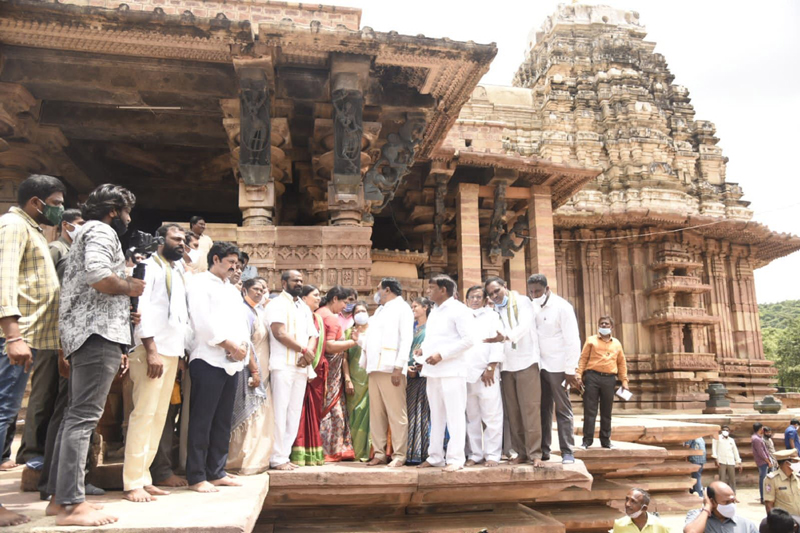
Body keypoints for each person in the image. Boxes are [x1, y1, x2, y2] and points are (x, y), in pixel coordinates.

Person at [47, 183, 142, 527]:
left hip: (85, 334)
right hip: (97, 334)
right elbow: (99, 276)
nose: (128, 219)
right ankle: (73, 505)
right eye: (127, 212)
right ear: (113, 210)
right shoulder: (102, 230)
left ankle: (59, 498)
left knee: (74, 417)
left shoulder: (84, 233)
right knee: (83, 418)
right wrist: (130, 286)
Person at [0, 174, 66, 527]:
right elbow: (4, 279)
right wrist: (13, 335)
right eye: (55, 204)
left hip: (33, 339)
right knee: (2, 412)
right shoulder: (13, 226)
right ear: (35, 202)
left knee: (7, 411)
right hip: (14, 339)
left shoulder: (34, 230)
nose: (59, 210)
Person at [123, 224, 190, 503]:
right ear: (160, 240)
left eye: (184, 240)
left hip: (172, 350)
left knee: (159, 417)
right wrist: (151, 350)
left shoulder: (177, 270)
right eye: (176, 239)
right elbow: (140, 308)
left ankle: (145, 476)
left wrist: (181, 353)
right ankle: (132, 482)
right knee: (144, 415)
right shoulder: (148, 268)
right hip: (151, 349)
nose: (182, 244)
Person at [18, 209, 82, 466]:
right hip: (50, 332)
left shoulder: (75, 251)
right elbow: (47, 290)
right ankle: (30, 451)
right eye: (79, 224)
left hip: (66, 335)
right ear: (66, 225)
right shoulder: (56, 249)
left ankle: (47, 451)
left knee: (59, 394)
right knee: (43, 391)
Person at [185, 241, 249, 493]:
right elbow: (202, 322)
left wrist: (241, 347)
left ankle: (216, 471)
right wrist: (229, 345)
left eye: (237, 263)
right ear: (215, 260)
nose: (235, 267)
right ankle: (197, 475)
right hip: (207, 358)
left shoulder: (232, 290)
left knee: (222, 420)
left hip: (231, 362)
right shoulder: (200, 283)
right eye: (230, 262)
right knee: (202, 419)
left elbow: (240, 323)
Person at [417, 275, 475, 472]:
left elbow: (468, 340)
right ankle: (435, 456)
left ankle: (456, 458)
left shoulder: (459, 310)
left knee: (455, 415)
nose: (427, 291)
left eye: (431, 287)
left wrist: (442, 355)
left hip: (452, 370)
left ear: (443, 290)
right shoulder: (434, 311)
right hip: (433, 371)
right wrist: (423, 349)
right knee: (436, 415)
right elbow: (434, 338)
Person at [483, 276, 543, 467]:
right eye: (491, 294)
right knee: (513, 412)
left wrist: (506, 337)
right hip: (506, 365)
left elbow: (524, 326)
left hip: (526, 361)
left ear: (505, 286)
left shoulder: (523, 302)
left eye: (497, 291)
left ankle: (535, 453)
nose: (495, 296)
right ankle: (521, 452)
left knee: (530, 409)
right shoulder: (493, 311)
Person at [267, 271, 319, 470]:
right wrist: (304, 350)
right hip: (282, 365)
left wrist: (308, 355)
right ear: (283, 283)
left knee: (294, 412)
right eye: (295, 280)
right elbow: (279, 333)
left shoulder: (303, 307)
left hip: (301, 367)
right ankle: (276, 458)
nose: (299, 283)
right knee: (280, 412)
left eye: (301, 281)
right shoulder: (277, 304)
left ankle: (284, 455)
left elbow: (313, 335)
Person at [360, 278, 414, 467]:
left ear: (387, 290)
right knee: (377, 414)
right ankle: (379, 453)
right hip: (374, 367)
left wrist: (399, 367)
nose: (376, 292)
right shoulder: (379, 311)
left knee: (396, 413)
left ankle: (399, 454)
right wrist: (359, 340)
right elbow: (373, 339)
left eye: (378, 289)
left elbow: (406, 339)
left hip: (391, 368)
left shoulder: (403, 309)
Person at [528, 273, 581, 464]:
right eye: (532, 291)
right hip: (538, 365)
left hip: (559, 367)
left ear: (547, 289)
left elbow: (572, 339)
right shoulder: (532, 306)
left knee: (563, 409)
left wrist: (571, 369)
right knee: (542, 409)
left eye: (538, 291)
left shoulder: (562, 307)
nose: (535, 294)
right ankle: (544, 450)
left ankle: (567, 451)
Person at [227, 278, 274, 475]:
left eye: (262, 289)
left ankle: (257, 459)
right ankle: (239, 461)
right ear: (244, 290)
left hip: (264, 366)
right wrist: (254, 370)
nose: (260, 292)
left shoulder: (258, 311)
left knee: (260, 413)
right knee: (247, 411)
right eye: (255, 289)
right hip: (248, 367)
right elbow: (245, 343)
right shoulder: (243, 311)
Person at [463, 285, 504, 467]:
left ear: (485, 300)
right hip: (466, 374)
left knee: (492, 416)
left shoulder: (492, 316)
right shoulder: (462, 316)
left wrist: (491, 366)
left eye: (478, 297)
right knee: (472, 417)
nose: (475, 300)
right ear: (466, 300)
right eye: (472, 297)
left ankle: (493, 454)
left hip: (487, 373)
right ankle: (475, 454)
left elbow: (498, 342)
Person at [317, 286, 357, 462]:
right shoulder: (331, 318)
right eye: (344, 302)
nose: (344, 307)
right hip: (330, 373)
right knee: (333, 411)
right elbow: (330, 346)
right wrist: (352, 342)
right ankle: (331, 450)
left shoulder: (318, 314)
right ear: (334, 299)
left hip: (321, 370)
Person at [288, 285, 327, 466]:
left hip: (314, 369)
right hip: (295, 366)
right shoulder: (295, 314)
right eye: (315, 295)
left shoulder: (317, 318)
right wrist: (304, 359)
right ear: (304, 299)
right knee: (295, 412)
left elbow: (315, 339)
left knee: (309, 413)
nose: (319, 298)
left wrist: (310, 361)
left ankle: (311, 453)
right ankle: (293, 452)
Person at [577, 315, 628, 450]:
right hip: (592, 377)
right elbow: (583, 359)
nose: (604, 326)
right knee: (590, 410)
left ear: (612, 327)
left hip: (609, 379)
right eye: (601, 324)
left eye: (606, 324)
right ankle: (587, 441)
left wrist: (624, 381)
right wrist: (578, 375)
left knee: (606, 411)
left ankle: (606, 441)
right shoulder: (591, 340)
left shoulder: (617, 344)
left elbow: (621, 363)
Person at [406, 297, 432, 465]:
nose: (413, 309)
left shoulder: (431, 328)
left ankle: (426, 451)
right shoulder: (411, 328)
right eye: (412, 307)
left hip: (426, 375)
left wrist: (421, 366)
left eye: (416, 306)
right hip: (410, 375)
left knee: (424, 413)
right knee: (412, 412)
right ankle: (412, 451)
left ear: (425, 307)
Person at [345, 301, 370, 461]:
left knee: (368, 414)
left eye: (363, 311)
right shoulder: (348, 332)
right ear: (352, 315)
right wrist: (347, 378)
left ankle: (368, 452)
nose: (360, 314)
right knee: (353, 413)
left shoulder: (373, 332)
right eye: (357, 312)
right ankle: (354, 451)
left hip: (369, 378)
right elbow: (344, 358)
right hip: (354, 378)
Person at [684, 481, 758, 533]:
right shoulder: (697, 516)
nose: (731, 505)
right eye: (726, 502)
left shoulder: (746, 525)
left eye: (733, 501)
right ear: (712, 502)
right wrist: (707, 507)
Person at [763, 449, 800, 516]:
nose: (798, 463)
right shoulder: (772, 479)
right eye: (796, 461)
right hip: (784, 520)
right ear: (787, 463)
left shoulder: (798, 478)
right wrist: (773, 521)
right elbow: (769, 504)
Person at [712, 425, 742, 492]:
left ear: (729, 431)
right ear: (721, 431)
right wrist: (716, 459)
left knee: (732, 480)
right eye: (724, 430)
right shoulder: (717, 438)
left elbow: (735, 451)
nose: (725, 431)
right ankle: (722, 494)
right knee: (722, 479)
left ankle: (733, 494)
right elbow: (714, 449)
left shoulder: (731, 440)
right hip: (721, 461)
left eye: (727, 430)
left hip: (730, 461)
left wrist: (739, 462)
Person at [754, 422, 772, 504]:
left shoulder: (759, 438)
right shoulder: (757, 439)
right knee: (764, 480)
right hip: (763, 462)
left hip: (766, 461)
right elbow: (762, 453)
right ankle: (763, 497)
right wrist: (768, 461)